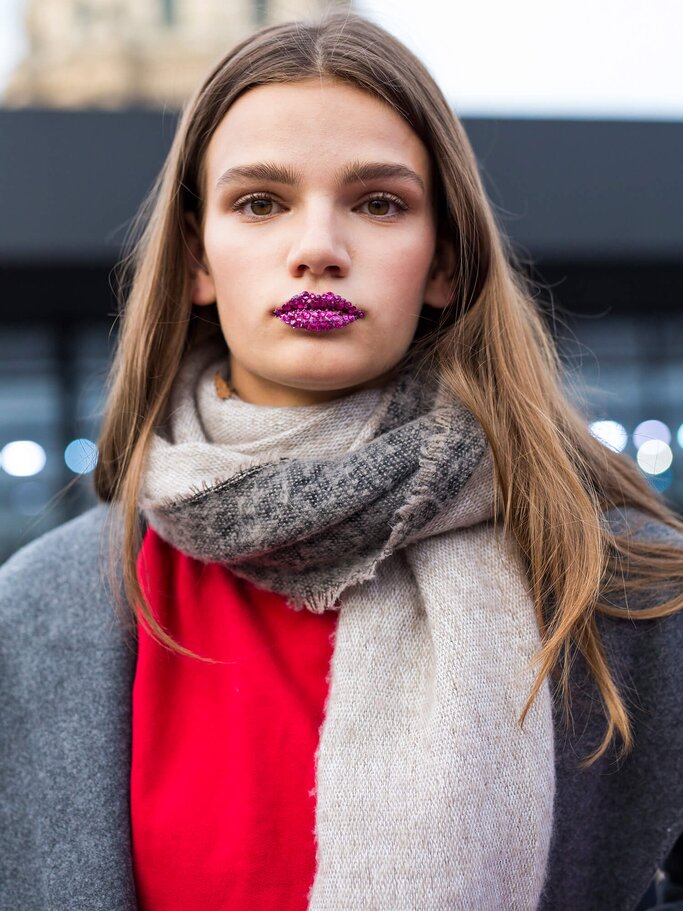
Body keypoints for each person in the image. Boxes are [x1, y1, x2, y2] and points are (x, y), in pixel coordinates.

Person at [1, 10, 682, 911]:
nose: (317, 247)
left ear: (442, 263)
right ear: (197, 257)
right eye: (259, 203)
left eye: (378, 202)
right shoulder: (39, 609)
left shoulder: (627, 591)